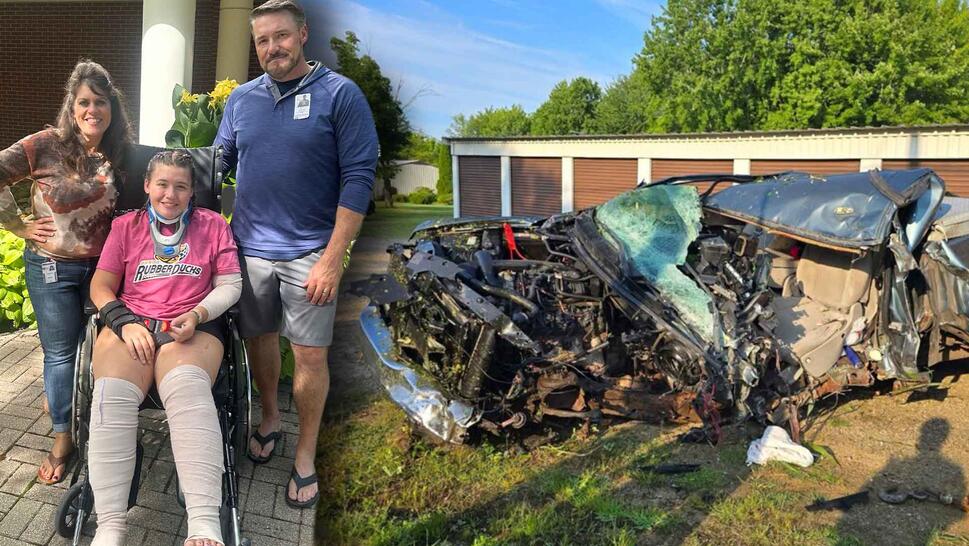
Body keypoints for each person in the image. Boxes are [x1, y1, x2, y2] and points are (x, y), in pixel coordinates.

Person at [214, 0, 378, 508]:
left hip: (311, 251)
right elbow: (217, 163)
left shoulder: (340, 95)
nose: (272, 48)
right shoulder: (241, 100)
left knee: (309, 354)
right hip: (249, 250)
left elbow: (358, 180)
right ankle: (269, 417)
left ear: (303, 34)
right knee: (259, 340)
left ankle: (305, 455)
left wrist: (333, 257)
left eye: (281, 36)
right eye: (262, 41)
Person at [88, 150, 241, 546]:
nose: (170, 194)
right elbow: (101, 287)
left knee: (188, 389)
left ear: (193, 192)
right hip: (133, 325)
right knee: (111, 397)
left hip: (190, 328)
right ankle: (110, 527)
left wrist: (200, 311)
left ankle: (204, 522)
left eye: (181, 186)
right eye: (162, 184)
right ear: (147, 186)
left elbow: (231, 285)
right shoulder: (125, 226)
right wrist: (124, 324)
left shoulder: (212, 226)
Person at [0, 60, 132, 485]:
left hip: (104, 271)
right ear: (72, 108)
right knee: (60, 353)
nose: (93, 110)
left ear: (112, 106)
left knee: (91, 349)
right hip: (52, 268)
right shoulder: (46, 144)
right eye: (84, 102)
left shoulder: (122, 150)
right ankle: (63, 438)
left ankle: (70, 402)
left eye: (101, 101)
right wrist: (17, 224)